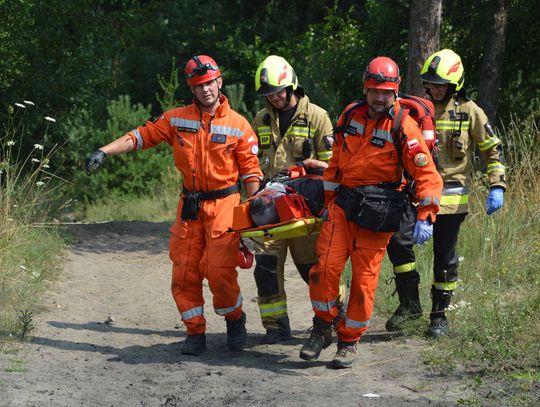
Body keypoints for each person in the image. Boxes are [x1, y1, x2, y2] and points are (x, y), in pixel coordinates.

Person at [85, 55, 263, 356]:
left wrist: (255, 211)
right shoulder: (176, 119)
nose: (205, 90)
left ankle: (235, 319)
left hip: (225, 203)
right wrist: (104, 151)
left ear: (219, 82)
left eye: (209, 83)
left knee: (219, 270)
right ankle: (195, 332)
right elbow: (140, 136)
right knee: (184, 271)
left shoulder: (239, 126)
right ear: (191, 89)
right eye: (199, 85)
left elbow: (251, 171)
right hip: (190, 206)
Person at [299, 56, 443, 368]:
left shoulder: (404, 126)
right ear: (366, 88)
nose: (380, 97)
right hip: (342, 207)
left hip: (378, 213)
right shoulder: (350, 116)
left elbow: (427, 175)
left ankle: (348, 342)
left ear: (396, 91)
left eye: (386, 92)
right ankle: (323, 327)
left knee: (364, 282)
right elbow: (335, 162)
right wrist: (327, 205)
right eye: (374, 90)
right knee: (323, 268)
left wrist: (426, 213)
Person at [412, 49, 505, 338]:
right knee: (401, 249)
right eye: (430, 84)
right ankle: (408, 305)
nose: (434, 89)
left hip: (452, 201)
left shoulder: (470, 111)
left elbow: (492, 149)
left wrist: (497, 186)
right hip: (415, 196)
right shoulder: (417, 109)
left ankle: (439, 317)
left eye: (440, 85)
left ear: (455, 85)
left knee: (444, 257)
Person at [250, 55, 334, 344]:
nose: (273, 98)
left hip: (304, 208)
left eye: (277, 92)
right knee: (265, 269)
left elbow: (334, 168)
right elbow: (250, 163)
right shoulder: (261, 119)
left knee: (312, 269)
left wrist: (309, 171)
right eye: (268, 94)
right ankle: (275, 326)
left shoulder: (317, 117)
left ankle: (334, 315)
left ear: (292, 86)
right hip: (268, 208)